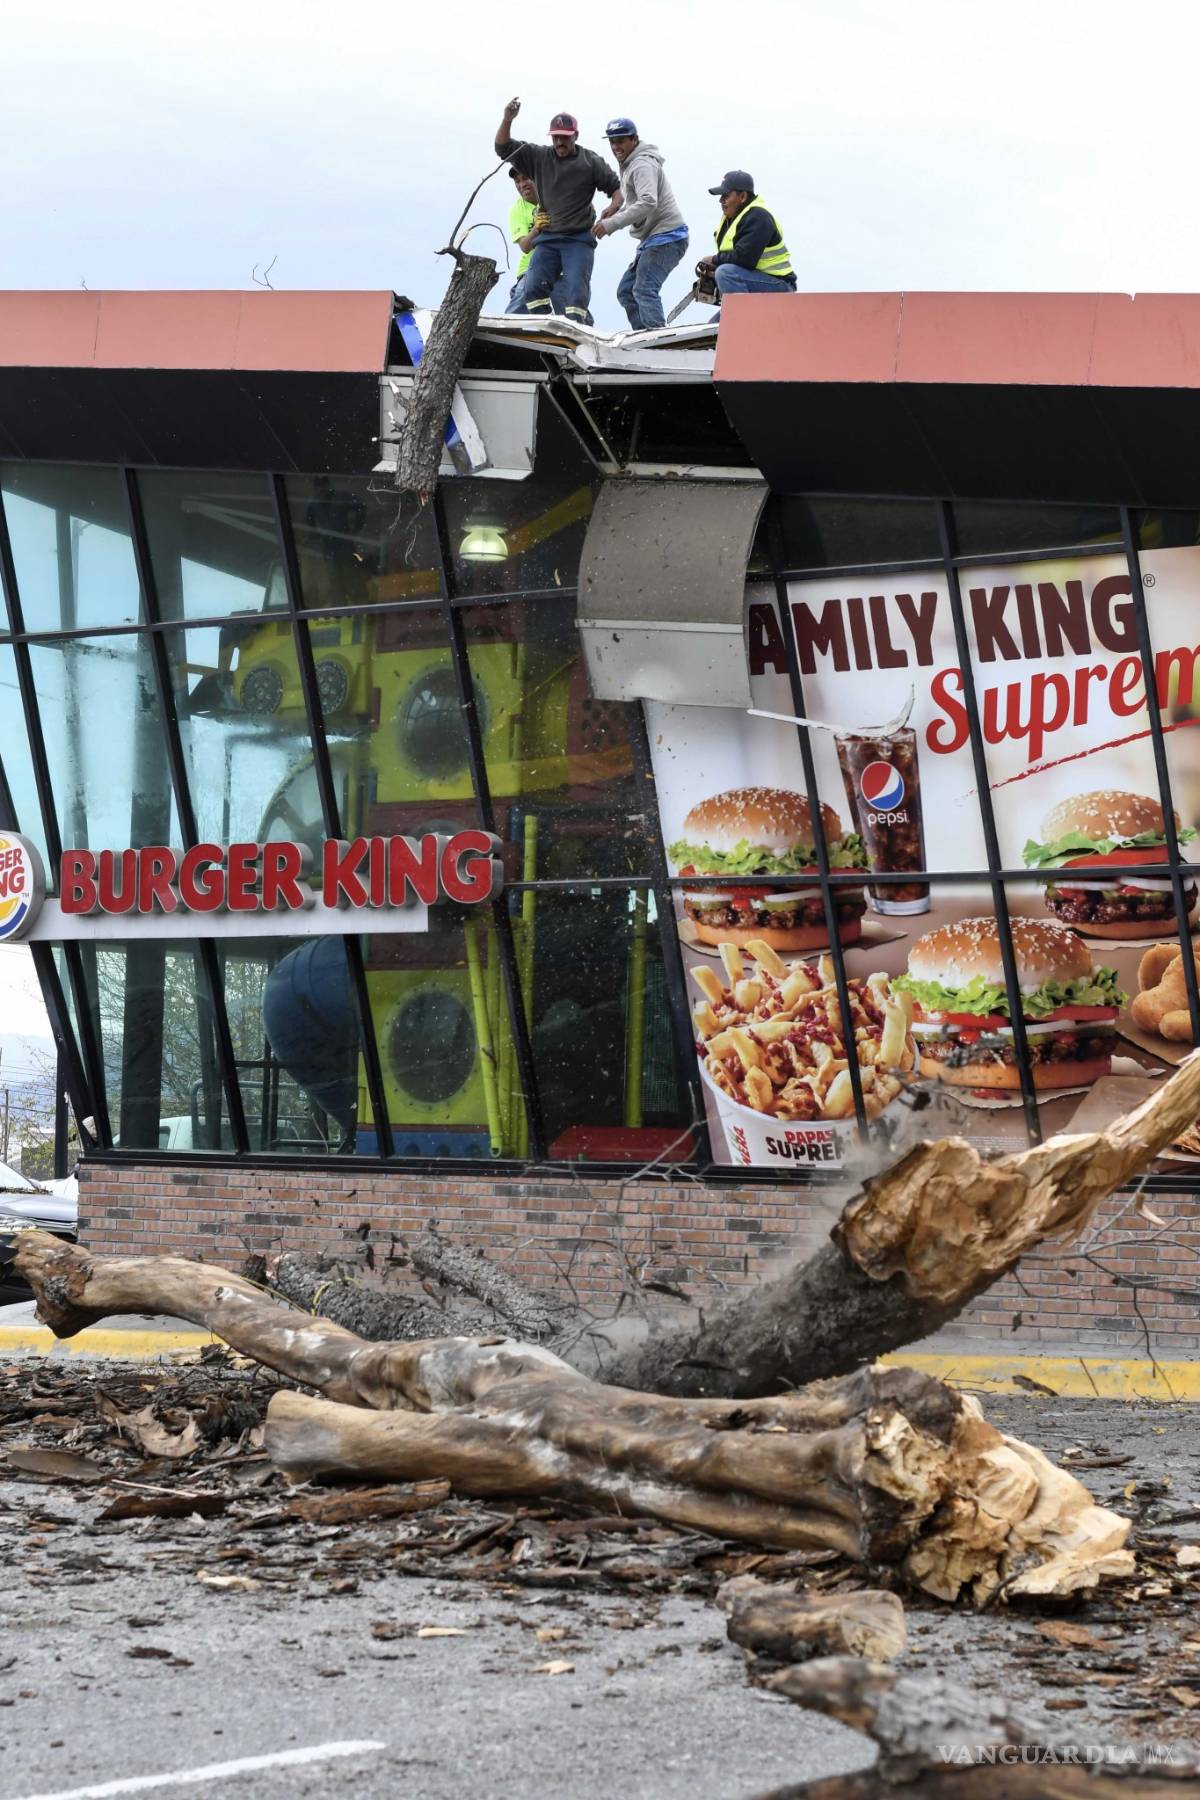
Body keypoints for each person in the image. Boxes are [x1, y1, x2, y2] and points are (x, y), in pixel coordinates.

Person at [494, 97, 620, 325]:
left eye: (565, 137)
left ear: (575, 136)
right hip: (548, 239)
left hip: (578, 239)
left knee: (575, 294)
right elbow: (502, 147)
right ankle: (542, 329)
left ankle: (576, 331)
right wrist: (507, 119)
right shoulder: (539, 157)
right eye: (556, 137)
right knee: (532, 288)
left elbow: (616, 190)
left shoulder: (590, 161)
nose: (560, 142)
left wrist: (613, 207)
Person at [591, 118, 689, 333]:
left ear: (634, 139)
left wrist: (611, 224)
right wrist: (616, 211)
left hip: (668, 237)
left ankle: (659, 340)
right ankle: (643, 337)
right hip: (654, 239)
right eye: (612, 142)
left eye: (620, 141)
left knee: (644, 289)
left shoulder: (642, 164)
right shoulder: (630, 164)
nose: (616, 147)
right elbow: (637, 202)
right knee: (626, 291)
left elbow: (648, 201)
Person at [698, 171, 796, 311]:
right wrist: (711, 271)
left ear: (742, 196)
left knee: (725, 273)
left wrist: (714, 260)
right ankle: (743, 316)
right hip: (758, 280)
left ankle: (746, 318)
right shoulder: (731, 218)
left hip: (780, 286)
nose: (721, 200)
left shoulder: (758, 216)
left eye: (726, 195)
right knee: (719, 323)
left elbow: (745, 259)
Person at [505, 167, 544, 314]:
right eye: (517, 181)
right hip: (530, 268)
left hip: (562, 269)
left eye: (526, 178)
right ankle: (506, 327)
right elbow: (525, 246)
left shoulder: (555, 196)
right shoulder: (517, 209)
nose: (522, 185)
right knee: (523, 296)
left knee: (572, 307)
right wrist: (537, 228)